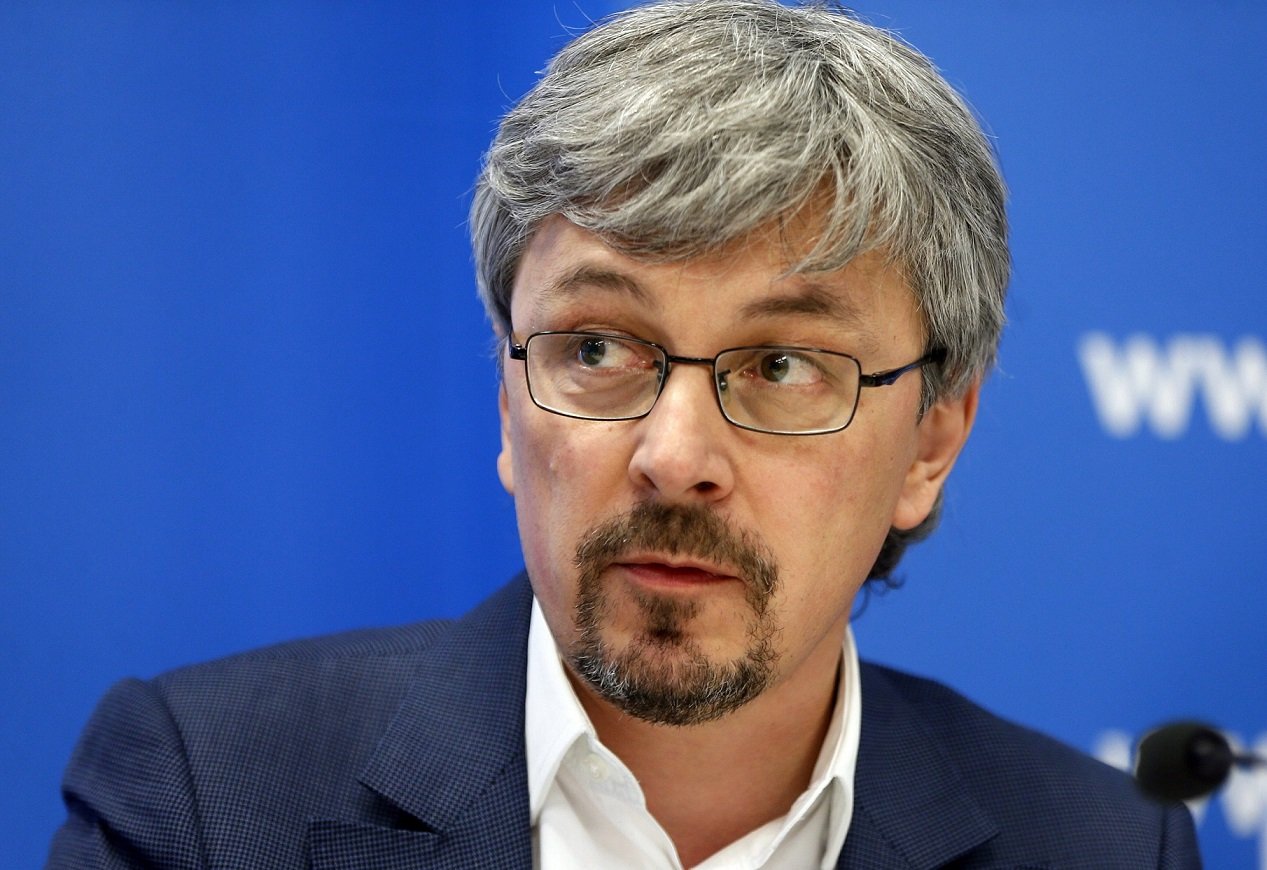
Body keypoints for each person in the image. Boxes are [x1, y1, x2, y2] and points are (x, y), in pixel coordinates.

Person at [48, 1, 1201, 867]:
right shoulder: (204, 797)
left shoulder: (1104, 846)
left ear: (932, 440)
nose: (674, 456)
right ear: (508, 399)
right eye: (597, 348)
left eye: (782, 365)